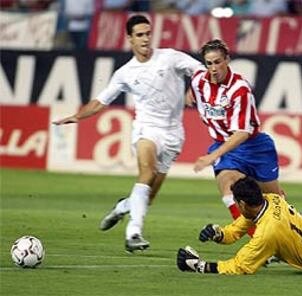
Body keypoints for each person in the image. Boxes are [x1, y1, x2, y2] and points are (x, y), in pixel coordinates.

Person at [53, 14, 203, 252]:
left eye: (148, 33)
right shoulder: (125, 72)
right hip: (146, 129)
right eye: (140, 35)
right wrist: (78, 116)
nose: (145, 39)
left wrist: (193, 89)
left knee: (149, 197)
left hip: (174, 134)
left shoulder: (170, 57)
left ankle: (123, 206)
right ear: (129, 39)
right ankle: (133, 233)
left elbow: (200, 69)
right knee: (147, 171)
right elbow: (101, 101)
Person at [189, 39, 284, 234]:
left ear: (227, 60)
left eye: (218, 62)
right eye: (209, 63)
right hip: (225, 147)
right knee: (229, 189)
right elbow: (193, 85)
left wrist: (212, 156)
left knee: (274, 201)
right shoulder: (198, 81)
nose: (213, 68)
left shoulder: (240, 89)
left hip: (254, 147)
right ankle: (258, 241)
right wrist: (187, 95)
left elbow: (242, 132)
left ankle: (292, 235)